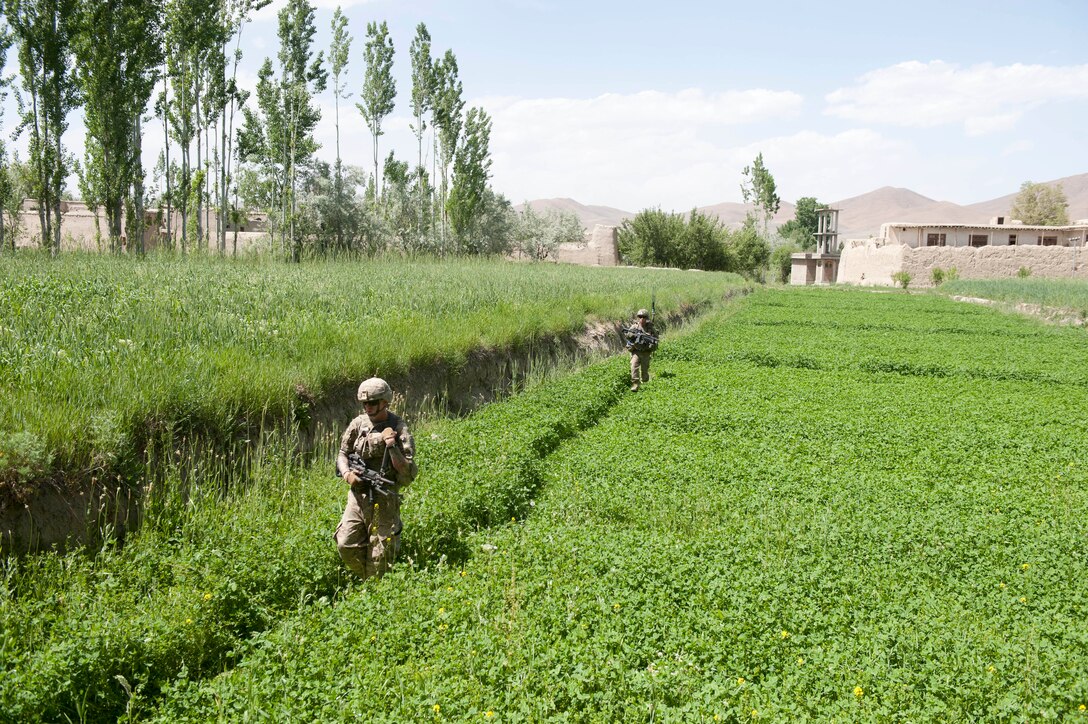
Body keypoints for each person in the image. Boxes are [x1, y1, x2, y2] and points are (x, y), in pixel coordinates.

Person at [335, 377, 418, 579]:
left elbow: (406, 473)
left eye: (372, 403)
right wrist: (347, 475)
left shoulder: (398, 427)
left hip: (384, 498)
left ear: (385, 402)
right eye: (365, 403)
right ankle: (366, 580)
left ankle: (373, 587)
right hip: (357, 496)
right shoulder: (358, 424)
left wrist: (391, 445)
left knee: (380, 555)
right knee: (346, 543)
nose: (368, 407)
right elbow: (342, 454)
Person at [624, 308, 658, 391]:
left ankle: (645, 381)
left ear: (647, 318)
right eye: (640, 317)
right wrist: (633, 335)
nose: (641, 319)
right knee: (633, 366)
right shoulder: (634, 327)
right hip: (636, 350)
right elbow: (628, 336)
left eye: (644, 317)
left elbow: (656, 339)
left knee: (644, 371)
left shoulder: (650, 328)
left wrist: (650, 340)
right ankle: (635, 384)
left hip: (646, 352)